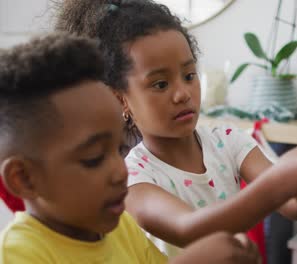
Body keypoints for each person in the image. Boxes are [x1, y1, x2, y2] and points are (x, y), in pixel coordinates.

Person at [54, 0, 297, 258]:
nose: (183, 93)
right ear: (121, 99)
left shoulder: (227, 141)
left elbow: (292, 204)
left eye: (188, 75)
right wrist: (281, 180)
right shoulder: (134, 178)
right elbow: (191, 229)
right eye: (160, 84)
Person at [0, 33, 261, 264]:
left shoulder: (120, 227)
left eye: (117, 150)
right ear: (24, 178)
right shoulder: (21, 252)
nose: (120, 172)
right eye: (93, 159)